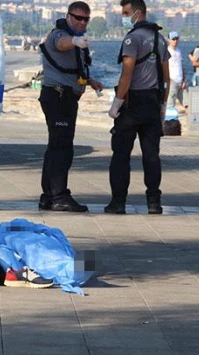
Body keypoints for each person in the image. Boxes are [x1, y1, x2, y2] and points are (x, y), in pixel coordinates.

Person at [37, 1, 103, 212]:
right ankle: (59, 196)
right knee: (62, 149)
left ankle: (48, 195)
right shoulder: (60, 34)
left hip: (63, 97)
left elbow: (73, 66)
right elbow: (62, 43)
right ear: (68, 17)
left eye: (86, 19)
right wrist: (74, 40)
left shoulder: (77, 41)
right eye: (78, 18)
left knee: (56, 146)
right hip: (58, 97)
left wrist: (90, 81)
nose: (82, 22)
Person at [106, 0, 170, 215]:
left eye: (126, 13)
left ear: (137, 12)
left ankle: (118, 202)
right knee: (151, 155)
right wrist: (163, 105)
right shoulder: (159, 39)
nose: (123, 17)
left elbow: (127, 73)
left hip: (132, 103)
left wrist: (117, 102)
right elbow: (167, 78)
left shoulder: (132, 38)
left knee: (121, 154)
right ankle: (154, 201)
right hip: (153, 103)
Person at [166, 31, 185, 108]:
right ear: (169, 40)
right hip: (171, 80)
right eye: (173, 39)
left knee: (186, 102)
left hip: (180, 80)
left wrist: (184, 80)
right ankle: (169, 119)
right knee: (170, 103)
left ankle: (192, 119)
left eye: (176, 39)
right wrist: (168, 79)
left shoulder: (178, 51)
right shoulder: (166, 51)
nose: (175, 41)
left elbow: (181, 66)